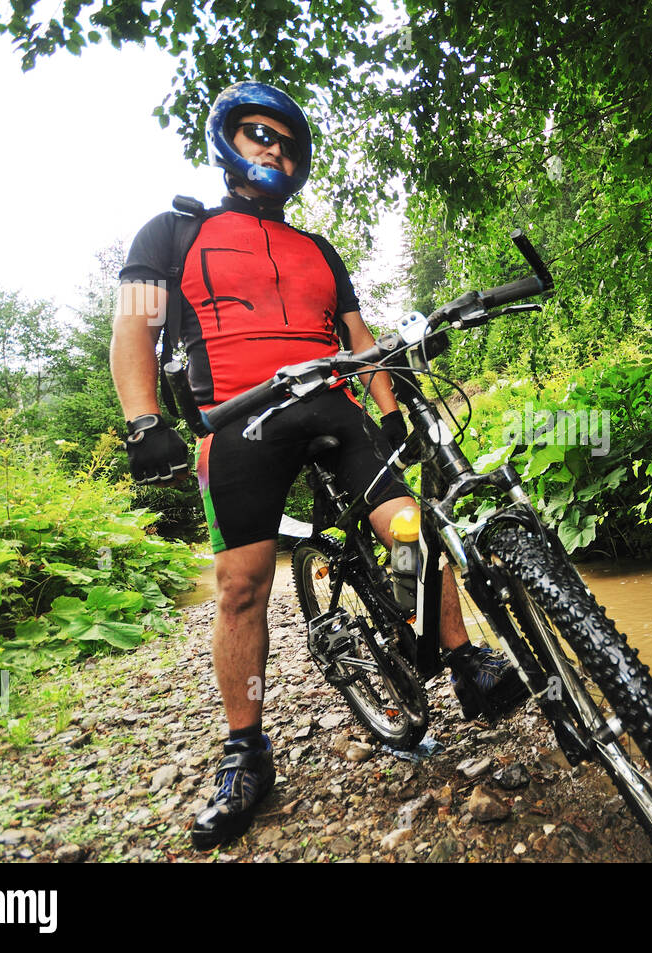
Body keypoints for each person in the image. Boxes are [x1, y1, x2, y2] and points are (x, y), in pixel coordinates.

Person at [110, 81, 526, 851]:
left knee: (411, 526)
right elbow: (132, 328)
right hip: (237, 420)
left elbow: (361, 339)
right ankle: (247, 750)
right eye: (257, 133)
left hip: (332, 407)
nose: (272, 147)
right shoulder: (170, 232)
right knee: (242, 585)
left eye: (284, 140)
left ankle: (463, 659)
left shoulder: (316, 250)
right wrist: (144, 423)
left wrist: (391, 413)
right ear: (228, 141)